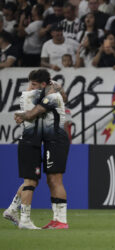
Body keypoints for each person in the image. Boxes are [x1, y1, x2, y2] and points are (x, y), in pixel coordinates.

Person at [3, 69, 70, 229]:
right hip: (45, 141)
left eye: (33, 84)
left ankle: (61, 220)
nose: (30, 87)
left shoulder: (52, 97)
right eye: (30, 84)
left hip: (57, 140)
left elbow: (32, 114)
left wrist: (20, 115)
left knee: (55, 180)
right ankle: (16, 210)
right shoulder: (44, 93)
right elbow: (63, 97)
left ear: (43, 84)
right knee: (39, 180)